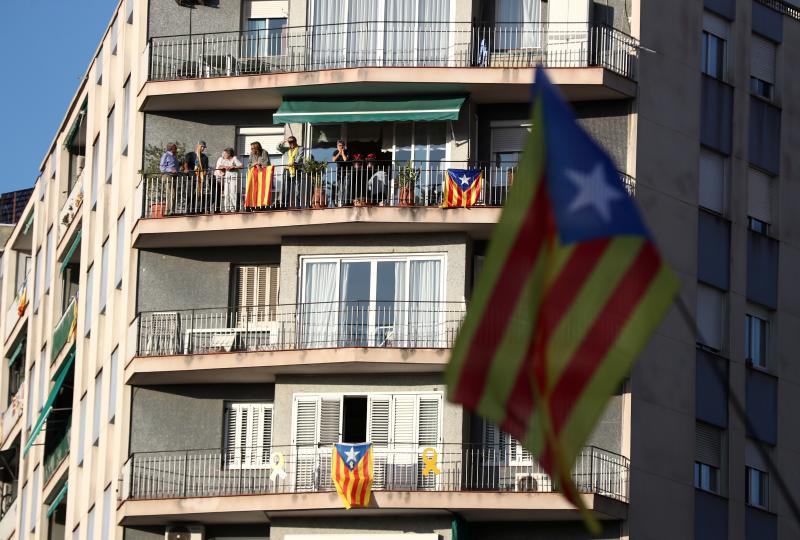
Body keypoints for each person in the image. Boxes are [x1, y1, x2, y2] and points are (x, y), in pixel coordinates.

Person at [276, 136, 305, 208]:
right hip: (287, 170)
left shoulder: (300, 148)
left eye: (292, 142)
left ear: (295, 141)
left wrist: (295, 162)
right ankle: (286, 204)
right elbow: (278, 147)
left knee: (297, 188)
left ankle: (298, 204)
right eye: (290, 142)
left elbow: (300, 156)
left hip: (296, 169)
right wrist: (284, 141)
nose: (291, 144)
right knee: (286, 188)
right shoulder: (286, 149)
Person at [183, 141, 210, 213]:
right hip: (191, 177)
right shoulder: (190, 154)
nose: (203, 148)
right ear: (197, 146)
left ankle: (197, 209)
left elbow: (205, 168)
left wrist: (204, 175)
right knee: (189, 194)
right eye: (201, 146)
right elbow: (186, 163)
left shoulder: (205, 157)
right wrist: (186, 169)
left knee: (199, 194)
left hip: (200, 179)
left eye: (204, 147)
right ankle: (188, 210)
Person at [214, 148, 243, 212]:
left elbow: (241, 166)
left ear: (229, 154)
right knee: (226, 193)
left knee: (233, 192)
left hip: (233, 178)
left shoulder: (234, 159)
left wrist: (233, 167)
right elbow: (219, 167)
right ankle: (227, 209)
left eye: (225, 153)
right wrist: (224, 167)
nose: (223, 155)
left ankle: (233, 209)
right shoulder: (225, 160)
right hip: (227, 178)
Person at [158, 143, 180, 215]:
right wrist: (170, 170)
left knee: (173, 194)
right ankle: (169, 211)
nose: (176, 149)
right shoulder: (166, 155)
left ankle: (171, 210)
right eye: (175, 148)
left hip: (174, 176)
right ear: (171, 148)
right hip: (167, 176)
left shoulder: (174, 156)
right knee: (171, 193)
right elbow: (162, 168)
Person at [331, 140, 349, 207]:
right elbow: (333, 160)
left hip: (346, 172)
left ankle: (344, 201)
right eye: (339, 145)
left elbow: (345, 160)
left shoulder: (347, 151)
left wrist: (343, 153)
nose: (340, 147)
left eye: (341, 145)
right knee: (340, 187)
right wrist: (339, 153)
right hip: (339, 172)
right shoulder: (335, 152)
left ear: (344, 146)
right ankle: (339, 201)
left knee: (345, 187)